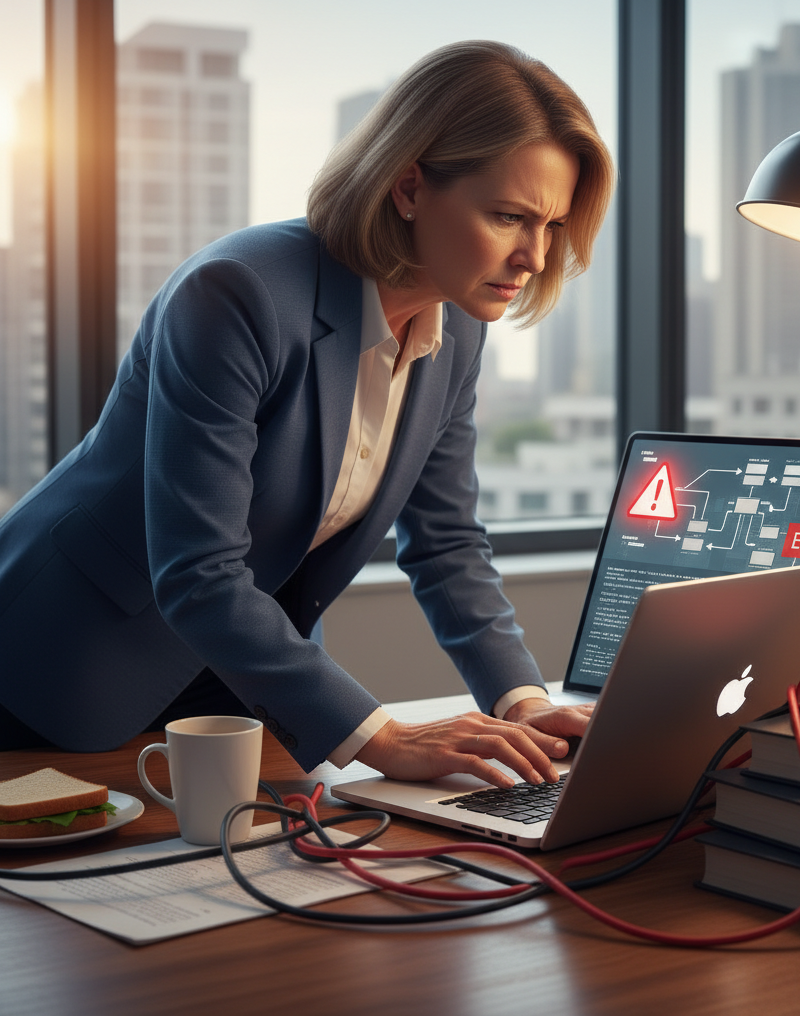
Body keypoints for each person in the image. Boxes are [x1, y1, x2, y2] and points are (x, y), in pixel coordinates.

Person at [0, 41, 614, 789]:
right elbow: (200, 570)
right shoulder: (237, 294)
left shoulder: (459, 331)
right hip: (59, 662)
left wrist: (521, 703)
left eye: (552, 226)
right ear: (409, 186)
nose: (535, 257)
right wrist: (385, 739)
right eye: (510, 216)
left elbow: (447, 543)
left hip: (245, 686)